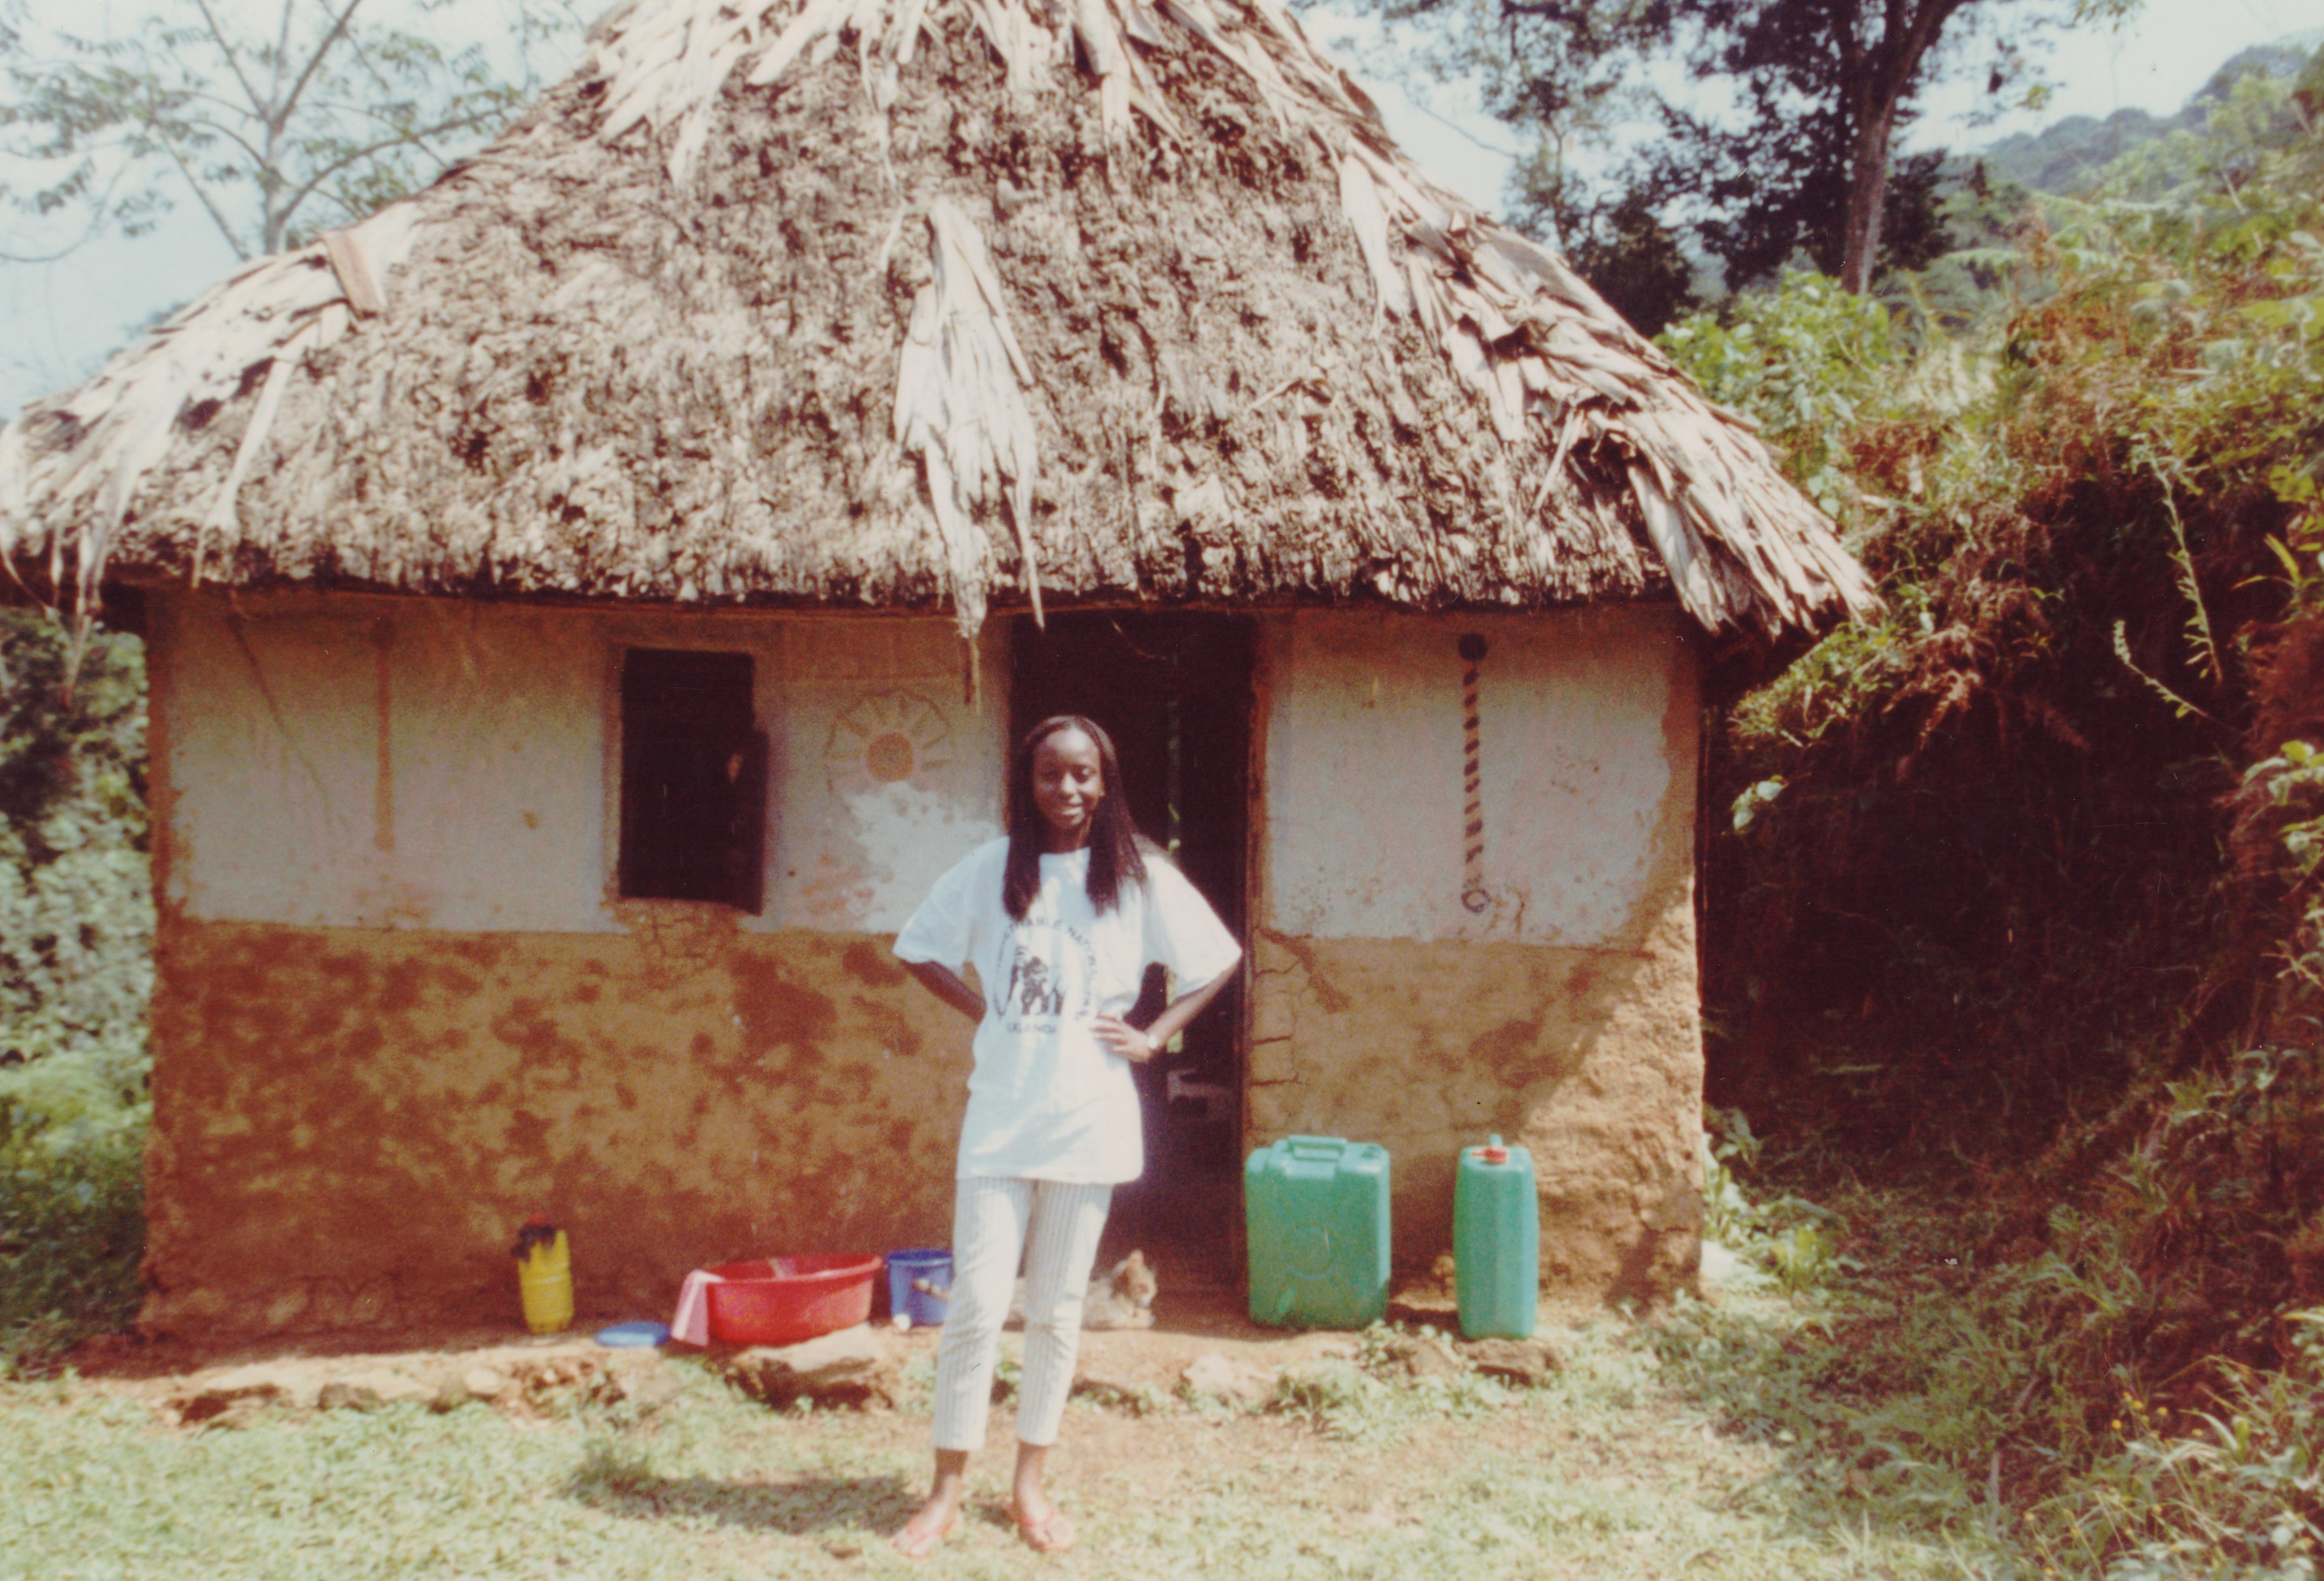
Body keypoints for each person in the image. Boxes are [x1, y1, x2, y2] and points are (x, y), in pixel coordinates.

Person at [889, 713, 1242, 1558]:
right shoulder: (990, 869)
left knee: (1054, 1309)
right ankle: (944, 1490)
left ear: (1107, 780)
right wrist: (989, 1012)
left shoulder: (1137, 872)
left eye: (1085, 774)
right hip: (1002, 1115)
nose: (1069, 790)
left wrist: (1153, 1035)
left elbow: (1216, 959)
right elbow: (917, 947)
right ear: (1029, 781)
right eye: (1052, 775)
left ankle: (1029, 1485)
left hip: (1089, 1113)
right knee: (976, 1303)